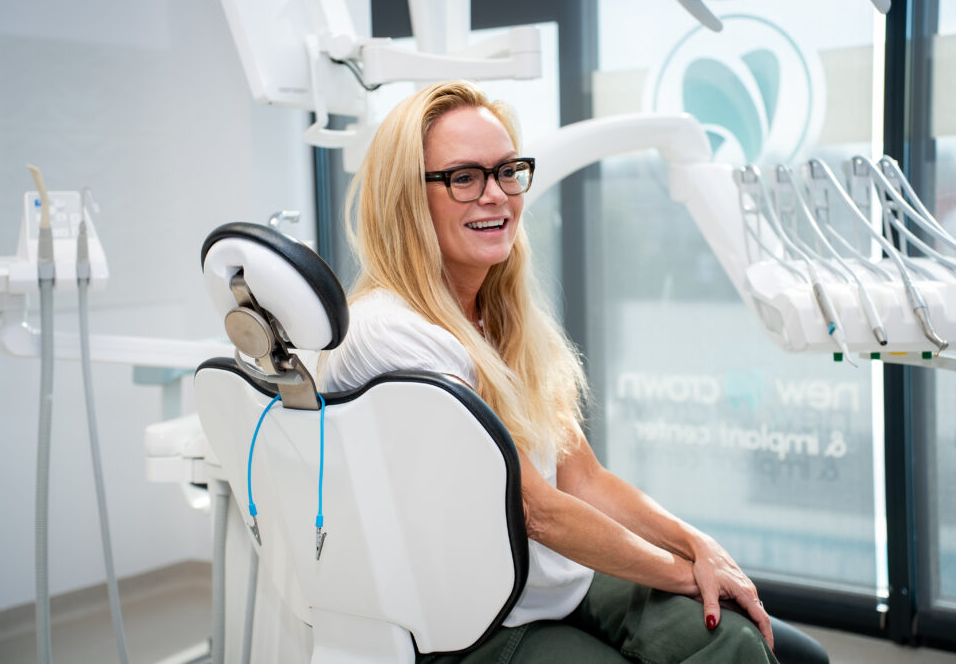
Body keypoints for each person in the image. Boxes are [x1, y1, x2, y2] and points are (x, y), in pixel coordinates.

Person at [319, 80, 819, 663]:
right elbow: (535, 510)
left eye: (507, 171)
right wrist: (684, 575)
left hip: (550, 581)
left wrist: (698, 546)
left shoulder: (501, 319)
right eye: (464, 177)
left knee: (754, 646)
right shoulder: (389, 331)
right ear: (407, 198)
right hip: (471, 624)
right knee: (729, 642)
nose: (496, 195)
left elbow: (583, 480)